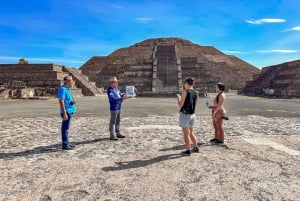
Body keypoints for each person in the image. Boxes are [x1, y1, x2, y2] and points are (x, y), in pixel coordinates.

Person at [177, 77, 199, 155]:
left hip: (185, 115)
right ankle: (196, 147)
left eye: (184, 84)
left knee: (186, 134)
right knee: (191, 132)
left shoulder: (185, 92)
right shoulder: (196, 92)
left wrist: (178, 99)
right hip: (192, 114)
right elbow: (195, 104)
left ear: (186, 83)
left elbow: (180, 105)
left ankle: (188, 150)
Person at [58, 76, 77, 150]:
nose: (73, 82)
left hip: (70, 110)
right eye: (72, 81)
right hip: (67, 111)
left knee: (67, 128)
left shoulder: (68, 89)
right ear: (67, 81)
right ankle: (65, 144)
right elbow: (61, 101)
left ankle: (67, 142)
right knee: (65, 128)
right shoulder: (62, 89)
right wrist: (64, 113)